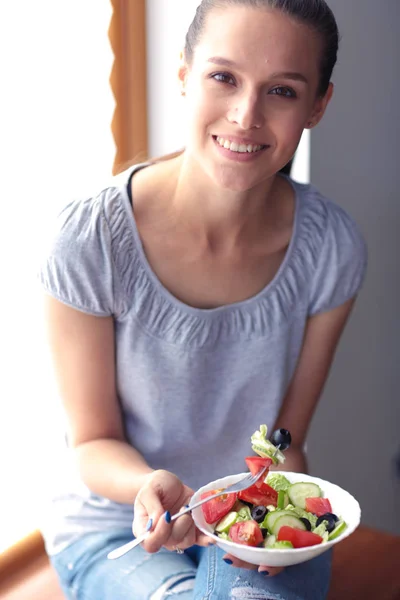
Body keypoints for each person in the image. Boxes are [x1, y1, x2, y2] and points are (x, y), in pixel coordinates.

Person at [39, 0, 367, 598]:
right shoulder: (89, 241)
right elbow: (91, 443)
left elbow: (286, 442)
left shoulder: (331, 248)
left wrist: (273, 528)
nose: (246, 115)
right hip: (121, 526)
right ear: (185, 74)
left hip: (251, 511)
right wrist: (150, 483)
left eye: (282, 91)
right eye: (223, 77)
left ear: (317, 105)